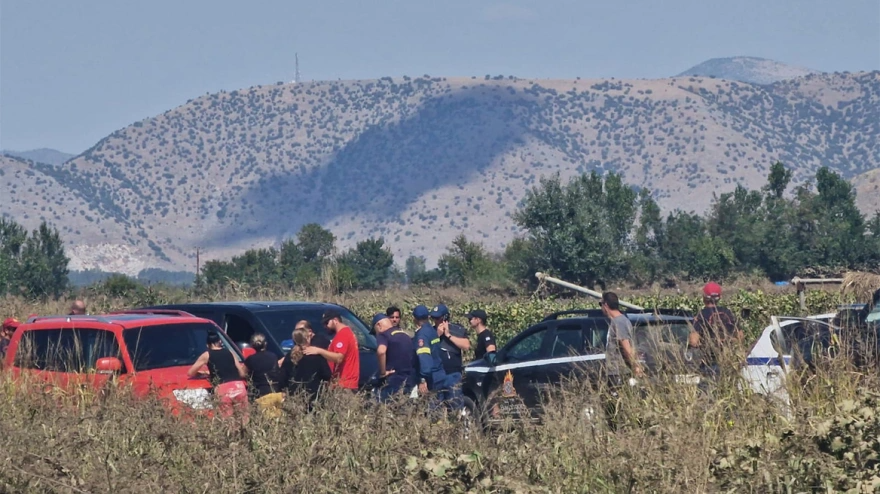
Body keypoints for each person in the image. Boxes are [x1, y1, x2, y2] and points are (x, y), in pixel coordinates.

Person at [187, 333, 248, 413]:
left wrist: (203, 374)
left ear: (207, 345)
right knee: (244, 418)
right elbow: (241, 373)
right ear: (220, 342)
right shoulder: (230, 352)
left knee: (227, 421)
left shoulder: (207, 355)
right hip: (239, 386)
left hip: (223, 388)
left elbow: (191, 373)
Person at [689, 282, 742, 373]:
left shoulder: (702, 315)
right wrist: (728, 342)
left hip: (708, 363)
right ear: (719, 297)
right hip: (729, 363)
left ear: (704, 297)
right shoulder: (728, 313)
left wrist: (705, 345)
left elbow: (693, 341)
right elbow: (740, 336)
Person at [278, 323, 332, 411]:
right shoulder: (316, 357)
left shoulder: (289, 357)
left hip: (294, 398)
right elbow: (327, 374)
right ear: (307, 338)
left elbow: (282, 378)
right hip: (313, 399)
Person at [304, 309, 360, 390]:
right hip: (342, 383)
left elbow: (339, 358)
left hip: (344, 384)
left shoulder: (343, 334)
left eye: (327, 323)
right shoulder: (345, 333)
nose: (325, 326)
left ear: (335, 320)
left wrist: (319, 351)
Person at [431, 304, 469, 409]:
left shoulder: (457, 330)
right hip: (436, 375)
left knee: (455, 404)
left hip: (453, 374)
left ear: (445, 317)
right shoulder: (430, 332)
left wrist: (448, 335)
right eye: (433, 318)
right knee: (435, 407)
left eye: (438, 318)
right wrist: (437, 335)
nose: (435, 321)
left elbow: (466, 345)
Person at [601, 292, 644, 380]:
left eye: (600, 304)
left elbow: (626, 347)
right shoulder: (616, 321)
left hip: (619, 372)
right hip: (614, 371)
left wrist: (635, 366)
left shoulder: (620, 322)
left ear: (606, 305)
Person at [412, 305, 449, 406]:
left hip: (431, 378)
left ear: (414, 319)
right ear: (428, 317)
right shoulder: (432, 331)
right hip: (440, 373)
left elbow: (424, 358)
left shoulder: (422, 335)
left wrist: (423, 379)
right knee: (440, 406)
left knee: (432, 409)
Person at [372, 313, 414, 402]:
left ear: (379, 325)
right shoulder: (405, 335)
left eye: (375, 331)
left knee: (383, 407)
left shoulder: (384, 335)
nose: (376, 334)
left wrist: (383, 372)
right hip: (408, 379)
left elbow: (381, 351)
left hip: (393, 380)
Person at [243, 333, 283, 416]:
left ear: (252, 345)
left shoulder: (250, 359)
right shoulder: (273, 356)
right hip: (276, 392)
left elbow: (242, 373)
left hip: (261, 394)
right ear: (265, 344)